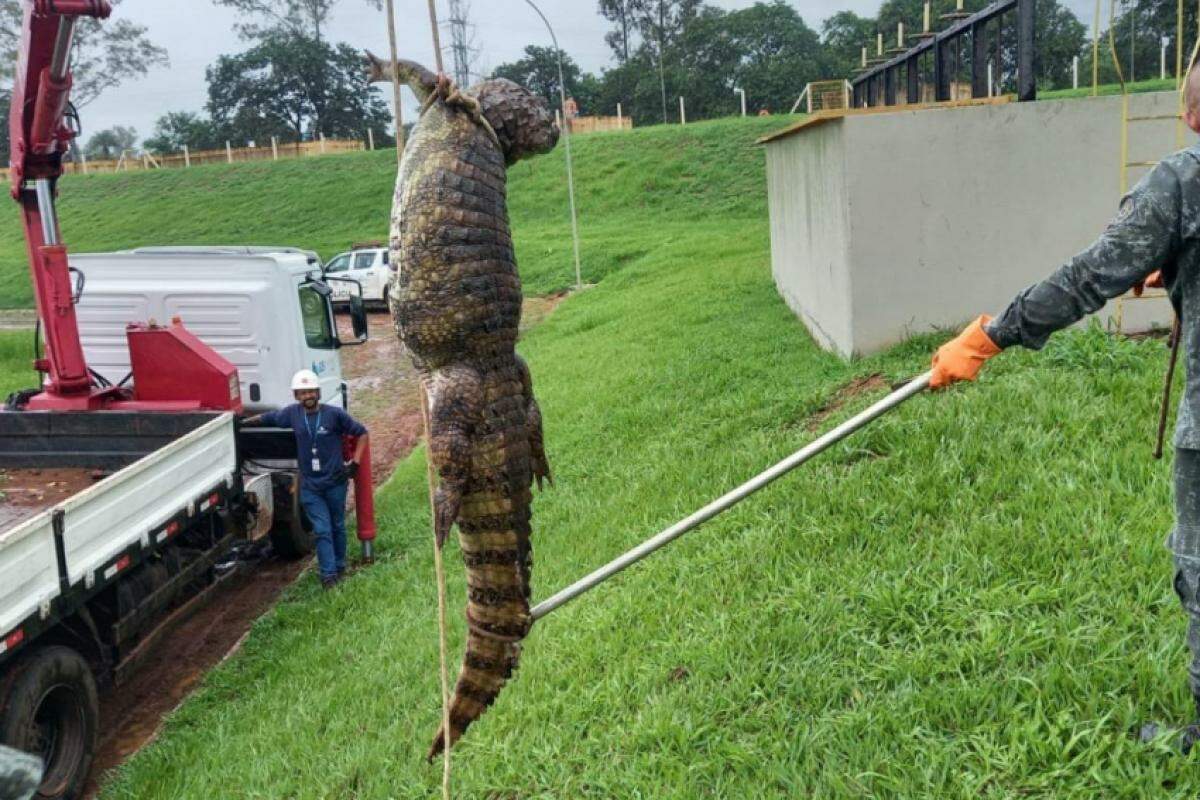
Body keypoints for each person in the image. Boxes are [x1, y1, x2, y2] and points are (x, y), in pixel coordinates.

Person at [931, 62, 1200, 750]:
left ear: (1194, 112)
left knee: (1197, 565)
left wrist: (991, 335)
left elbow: (1089, 276)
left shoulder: (1183, 178)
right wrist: (1172, 258)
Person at [244, 369, 369, 588]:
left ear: (318, 392)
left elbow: (362, 433)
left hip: (335, 482)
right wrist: (242, 423)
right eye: (302, 393)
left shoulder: (334, 414)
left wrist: (355, 463)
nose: (307, 396)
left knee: (337, 526)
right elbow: (268, 418)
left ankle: (340, 567)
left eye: (310, 391)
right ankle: (328, 576)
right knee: (322, 529)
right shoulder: (292, 414)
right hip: (311, 486)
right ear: (296, 396)